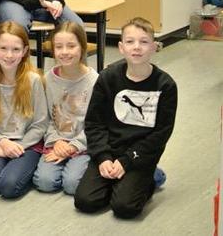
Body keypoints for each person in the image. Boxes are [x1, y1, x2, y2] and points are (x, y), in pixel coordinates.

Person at [74, 17, 178, 219]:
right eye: (130, 41)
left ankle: (148, 180)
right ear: (121, 47)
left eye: (144, 42)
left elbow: (161, 133)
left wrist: (127, 161)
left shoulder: (165, 85)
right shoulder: (107, 78)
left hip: (140, 155)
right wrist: (103, 157)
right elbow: (94, 123)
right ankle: (121, 182)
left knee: (124, 207)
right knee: (86, 201)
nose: (137, 47)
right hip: (110, 150)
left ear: (154, 47)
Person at [0, 21, 48, 199]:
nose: (9, 55)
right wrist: (3, 143)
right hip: (0, 143)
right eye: (3, 48)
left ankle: (24, 168)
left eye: (16, 49)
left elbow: (40, 125)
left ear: (24, 51)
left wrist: (15, 148)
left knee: (9, 186)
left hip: (28, 144)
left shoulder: (34, 81)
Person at [32, 22, 99, 195]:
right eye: (59, 47)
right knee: (45, 182)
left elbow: (97, 125)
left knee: (72, 184)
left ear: (82, 47)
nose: (65, 52)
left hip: (84, 144)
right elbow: (45, 119)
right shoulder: (47, 79)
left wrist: (73, 146)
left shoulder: (95, 81)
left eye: (71, 46)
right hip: (57, 142)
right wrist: (57, 141)